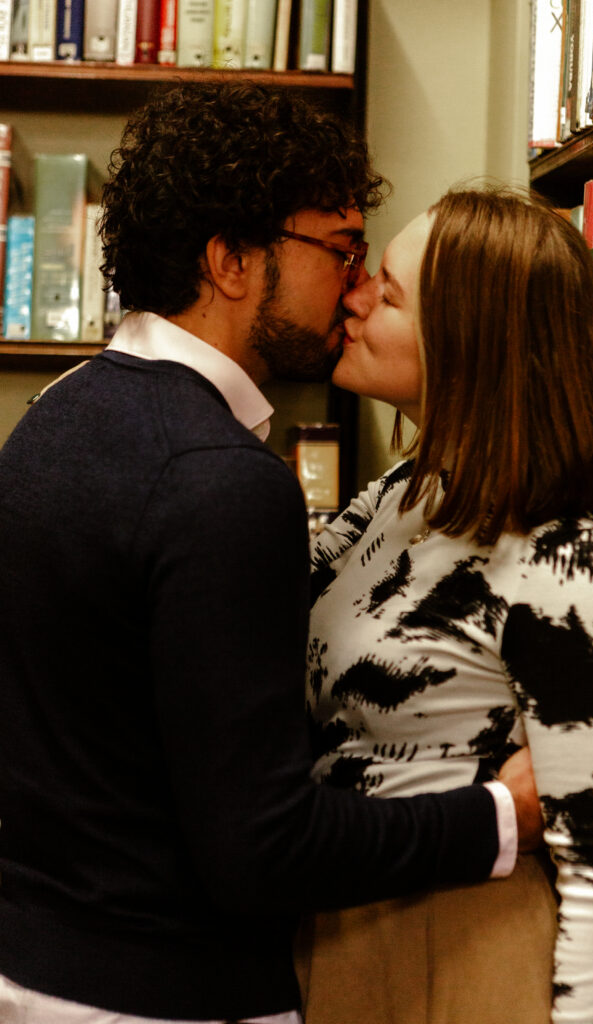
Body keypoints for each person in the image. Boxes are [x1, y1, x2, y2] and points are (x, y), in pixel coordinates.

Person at [0, 85, 541, 1024]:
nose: (355, 286)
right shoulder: (217, 478)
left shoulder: (59, 411)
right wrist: (502, 815)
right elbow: (262, 851)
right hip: (160, 993)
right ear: (232, 261)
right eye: (339, 250)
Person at [298, 187, 593, 1024]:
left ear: (470, 346)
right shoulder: (400, 494)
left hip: (470, 949)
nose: (350, 298)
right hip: (349, 930)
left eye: (386, 293)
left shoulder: (567, 564)